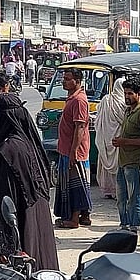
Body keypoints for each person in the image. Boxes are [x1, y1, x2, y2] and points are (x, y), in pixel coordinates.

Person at [0, 93, 60, 270]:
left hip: (20, 239)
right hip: (37, 230)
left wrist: (2, 251)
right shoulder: (28, 145)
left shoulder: (6, 152)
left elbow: (4, 203)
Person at [111, 78, 140, 233]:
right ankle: (124, 225)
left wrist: (125, 141)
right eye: (125, 93)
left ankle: (134, 228)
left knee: (134, 197)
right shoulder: (128, 110)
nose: (127, 96)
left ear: (139, 94)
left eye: (130, 93)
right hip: (122, 161)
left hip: (134, 162)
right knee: (121, 198)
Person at [54, 68, 93, 228]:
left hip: (74, 151)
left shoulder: (79, 101)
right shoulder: (72, 99)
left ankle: (74, 219)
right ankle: (84, 216)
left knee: (74, 185)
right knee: (79, 184)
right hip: (67, 148)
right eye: (64, 78)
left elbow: (80, 127)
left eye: (68, 79)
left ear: (77, 81)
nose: (64, 81)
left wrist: (73, 152)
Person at [95, 76, 127, 200]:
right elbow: (125, 121)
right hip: (118, 137)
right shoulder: (123, 104)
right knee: (118, 163)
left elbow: (98, 119)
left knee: (105, 161)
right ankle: (117, 191)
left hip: (104, 137)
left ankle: (108, 190)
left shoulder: (105, 100)